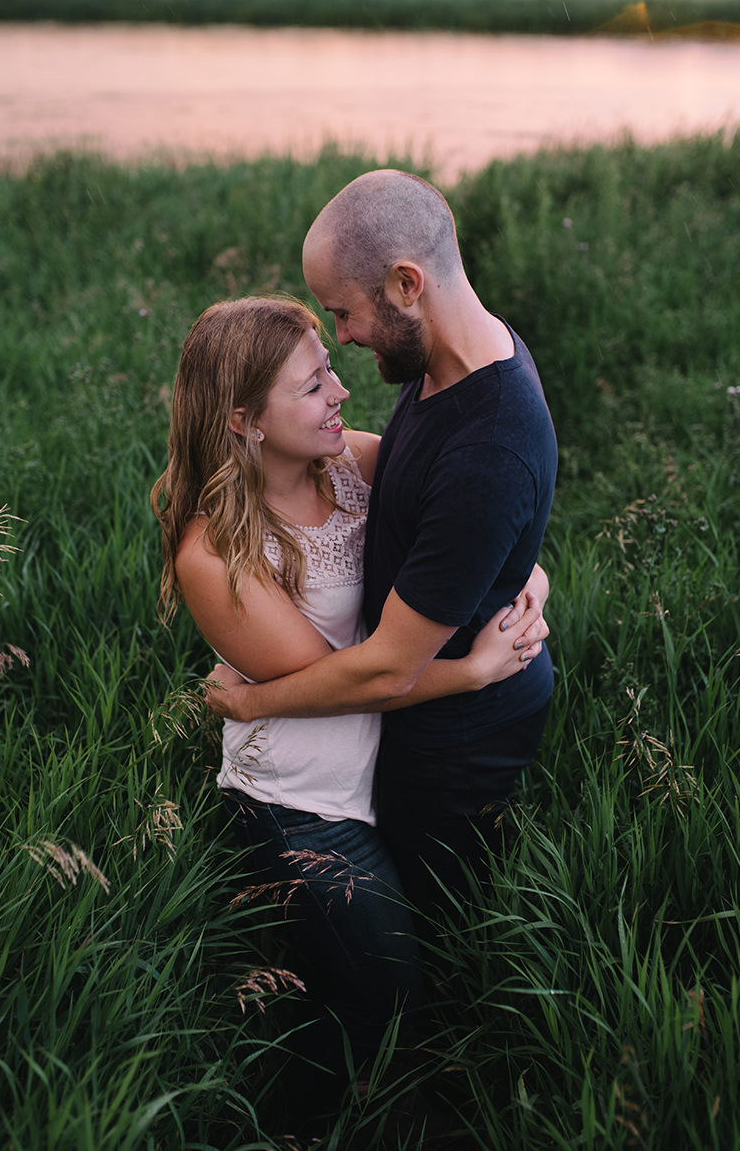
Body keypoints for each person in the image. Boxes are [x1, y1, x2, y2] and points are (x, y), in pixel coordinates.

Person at [151, 295, 547, 1099]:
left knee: (448, 941)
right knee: (389, 996)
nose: (338, 391)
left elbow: (477, 522)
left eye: (328, 368)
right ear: (242, 420)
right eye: (309, 384)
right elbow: (345, 683)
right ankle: (283, 1114)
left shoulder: (353, 463)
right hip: (301, 801)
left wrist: (528, 579)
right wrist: (474, 670)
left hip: (393, 772)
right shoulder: (216, 552)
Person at [205, 170, 558, 926]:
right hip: (405, 717)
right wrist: (517, 562)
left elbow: (394, 665)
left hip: (453, 735)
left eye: (343, 312)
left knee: (439, 931)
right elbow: (438, 501)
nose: (341, 337)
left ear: (405, 283)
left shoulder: (487, 443)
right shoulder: (447, 365)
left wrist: (247, 703)